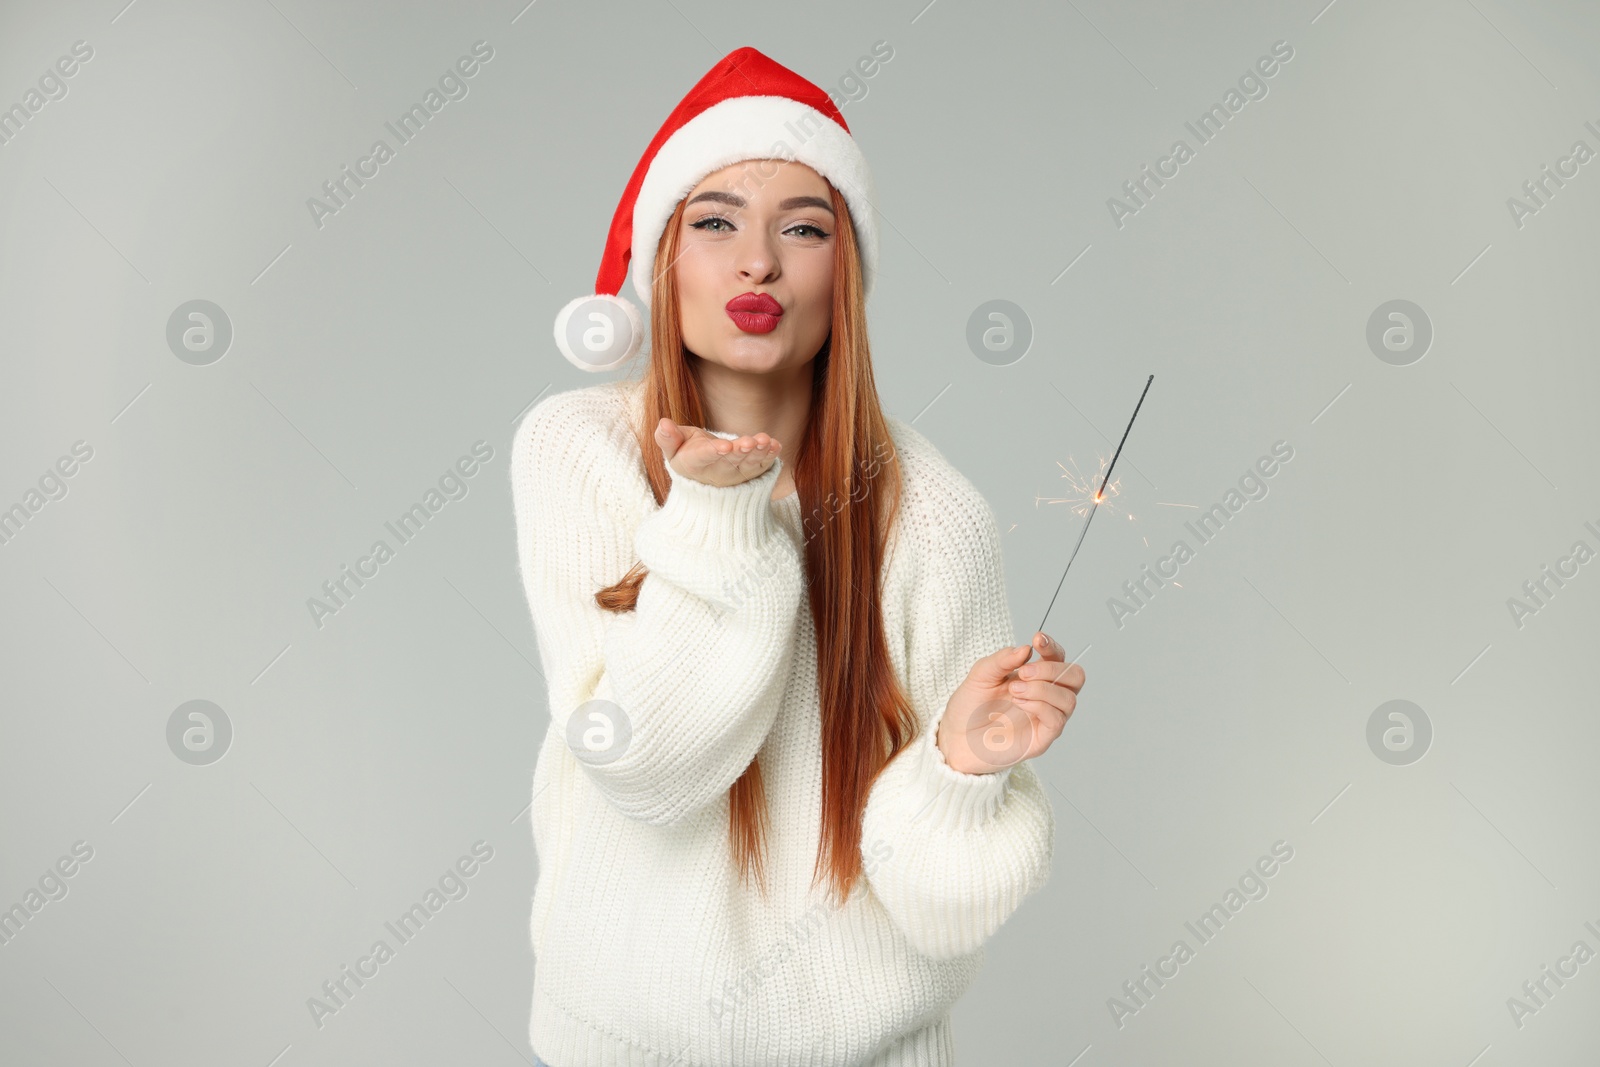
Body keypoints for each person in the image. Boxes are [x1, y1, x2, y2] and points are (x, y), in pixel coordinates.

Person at [514, 45, 1086, 1067]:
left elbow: (940, 910)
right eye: (716, 221)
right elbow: (644, 768)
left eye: (805, 228)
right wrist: (716, 517)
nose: (758, 263)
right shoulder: (578, 450)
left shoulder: (935, 514)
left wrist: (963, 769)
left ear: (847, 273)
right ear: (663, 260)